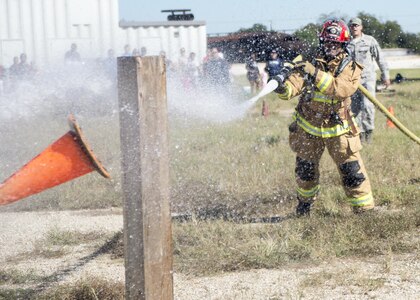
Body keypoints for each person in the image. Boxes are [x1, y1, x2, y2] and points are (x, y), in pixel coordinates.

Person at [270, 19, 374, 216]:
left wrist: (315, 73)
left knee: (352, 172)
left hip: (339, 129)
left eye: (335, 44)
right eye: (327, 43)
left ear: (343, 45)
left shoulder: (350, 65)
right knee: (305, 170)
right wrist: (283, 87)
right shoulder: (310, 61)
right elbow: (295, 85)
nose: (331, 47)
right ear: (322, 42)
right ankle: (304, 207)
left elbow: (339, 89)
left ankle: (364, 211)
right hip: (308, 127)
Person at [347, 17, 391, 144]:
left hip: (367, 79)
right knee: (354, 109)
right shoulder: (346, 43)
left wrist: (385, 75)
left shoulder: (369, 41)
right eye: (352, 26)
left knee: (367, 106)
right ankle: (359, 135)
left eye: (356, 25)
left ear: (361, 27)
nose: (354, 27)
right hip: (352, 81)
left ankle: (369, 134)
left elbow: (380, 59)